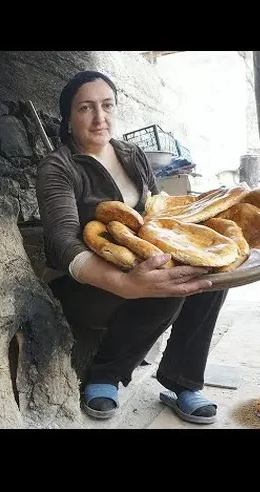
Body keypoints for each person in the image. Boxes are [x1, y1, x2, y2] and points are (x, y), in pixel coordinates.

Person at [35, 70, 228, 424]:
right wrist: (125, 282)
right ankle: (104, 376)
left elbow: (156, 216)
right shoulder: (58, 167)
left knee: (213, 272)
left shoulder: (132, 154)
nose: (99, 118)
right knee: (166, 287)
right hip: (81, 285)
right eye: (86, 108)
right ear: (68, 117)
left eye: (107, 105)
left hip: (136, 268)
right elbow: (61, 241)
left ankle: (182, 380)